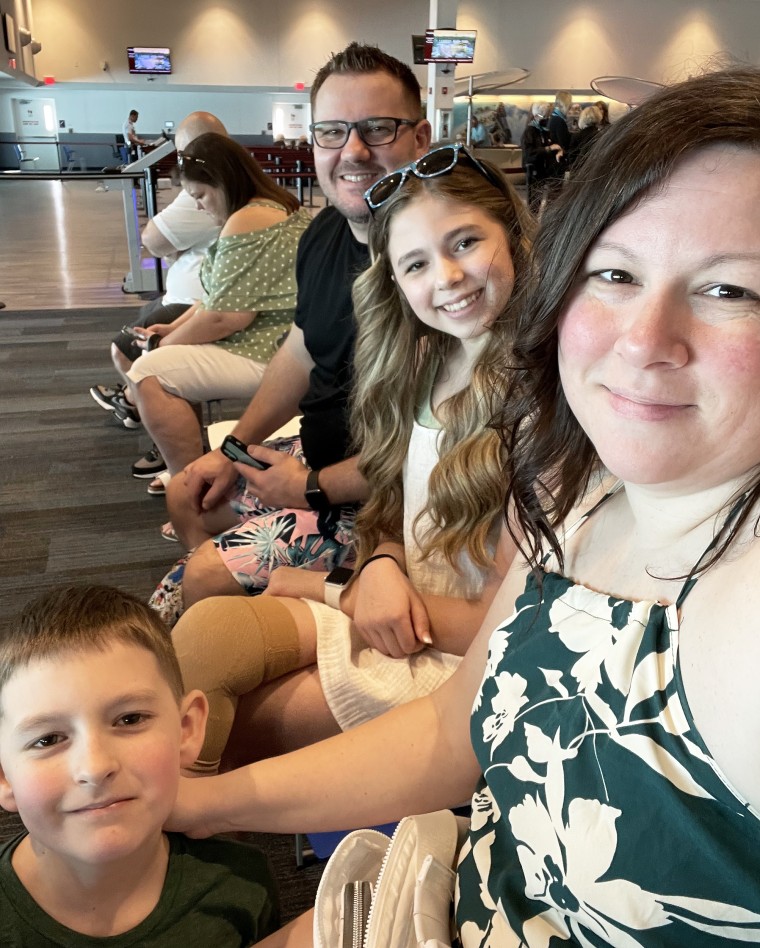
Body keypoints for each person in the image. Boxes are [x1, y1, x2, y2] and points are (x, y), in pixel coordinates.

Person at [167, 67, 760, 947]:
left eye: (730, 288)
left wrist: (325, 582)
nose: (643, 342)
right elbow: (460, 728)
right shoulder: (579, 492)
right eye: (616, 274)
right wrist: (197, 805)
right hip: (453, 879)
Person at [171, 143, 532, 773]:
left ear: (515, 233)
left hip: (463, 659)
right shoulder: (431, 358)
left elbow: (507, 625)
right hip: (395, 602)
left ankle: (185, 840)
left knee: (203, 738)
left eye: (466, 242)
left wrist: (331, 588)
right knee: (207, 641)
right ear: (393, 279)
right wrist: (382, 562)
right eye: (416, 263)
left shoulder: (545, 395)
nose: (446, 277)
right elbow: (390, 498)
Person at [152, 43, 432, 622]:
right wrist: (232, 451)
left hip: (384, 497)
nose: (353, 151)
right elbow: (303, 347)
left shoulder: (434, 266)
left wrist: (310, 488)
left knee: (199, 581)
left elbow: (430, 441)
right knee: (189, 490)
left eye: (377, 129)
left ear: (420, 139)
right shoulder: (324, 232)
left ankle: (251, 613)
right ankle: (259, 614)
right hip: (319, 455)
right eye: (332, 132)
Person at [0, 585, 279, 945]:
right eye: (48, 740)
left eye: (130, 719)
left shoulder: (243, 883)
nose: (95, 767)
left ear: (186, 730)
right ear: (5, 776)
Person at [109, 133, 312, 495]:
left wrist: (161, 343)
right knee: (153, 356)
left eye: (200, 196)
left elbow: (227, 317)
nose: (200, 207)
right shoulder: (277, 204)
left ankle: (190, 486)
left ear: (223, 181)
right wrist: (171, 328)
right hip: (282, 341)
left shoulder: (248, 219)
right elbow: (218, 298)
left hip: (272, 352)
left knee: (146, 371)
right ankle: (190, 465)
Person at [90, 111, 228, 482]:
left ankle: (173, 444)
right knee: (144, 353)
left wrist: (166, 338)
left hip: (204, 305)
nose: (197, 203)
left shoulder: (217, 185)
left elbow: (153, 241)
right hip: (195, 299)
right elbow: (161, 247)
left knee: (131, 353)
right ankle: (151, 416)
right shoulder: (213, 186)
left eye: (183, 153)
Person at [520, 101, 563, 212]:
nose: (547, 119)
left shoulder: (544, 132)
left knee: (548, 200)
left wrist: (558, 151)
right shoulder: (529, 132)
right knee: (534, 203)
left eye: (548, 116)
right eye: (545, 116)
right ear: (535, 116)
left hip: (545, 170)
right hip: (534, 170)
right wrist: (548, 149)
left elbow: (552, 145)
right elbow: (529, 153)